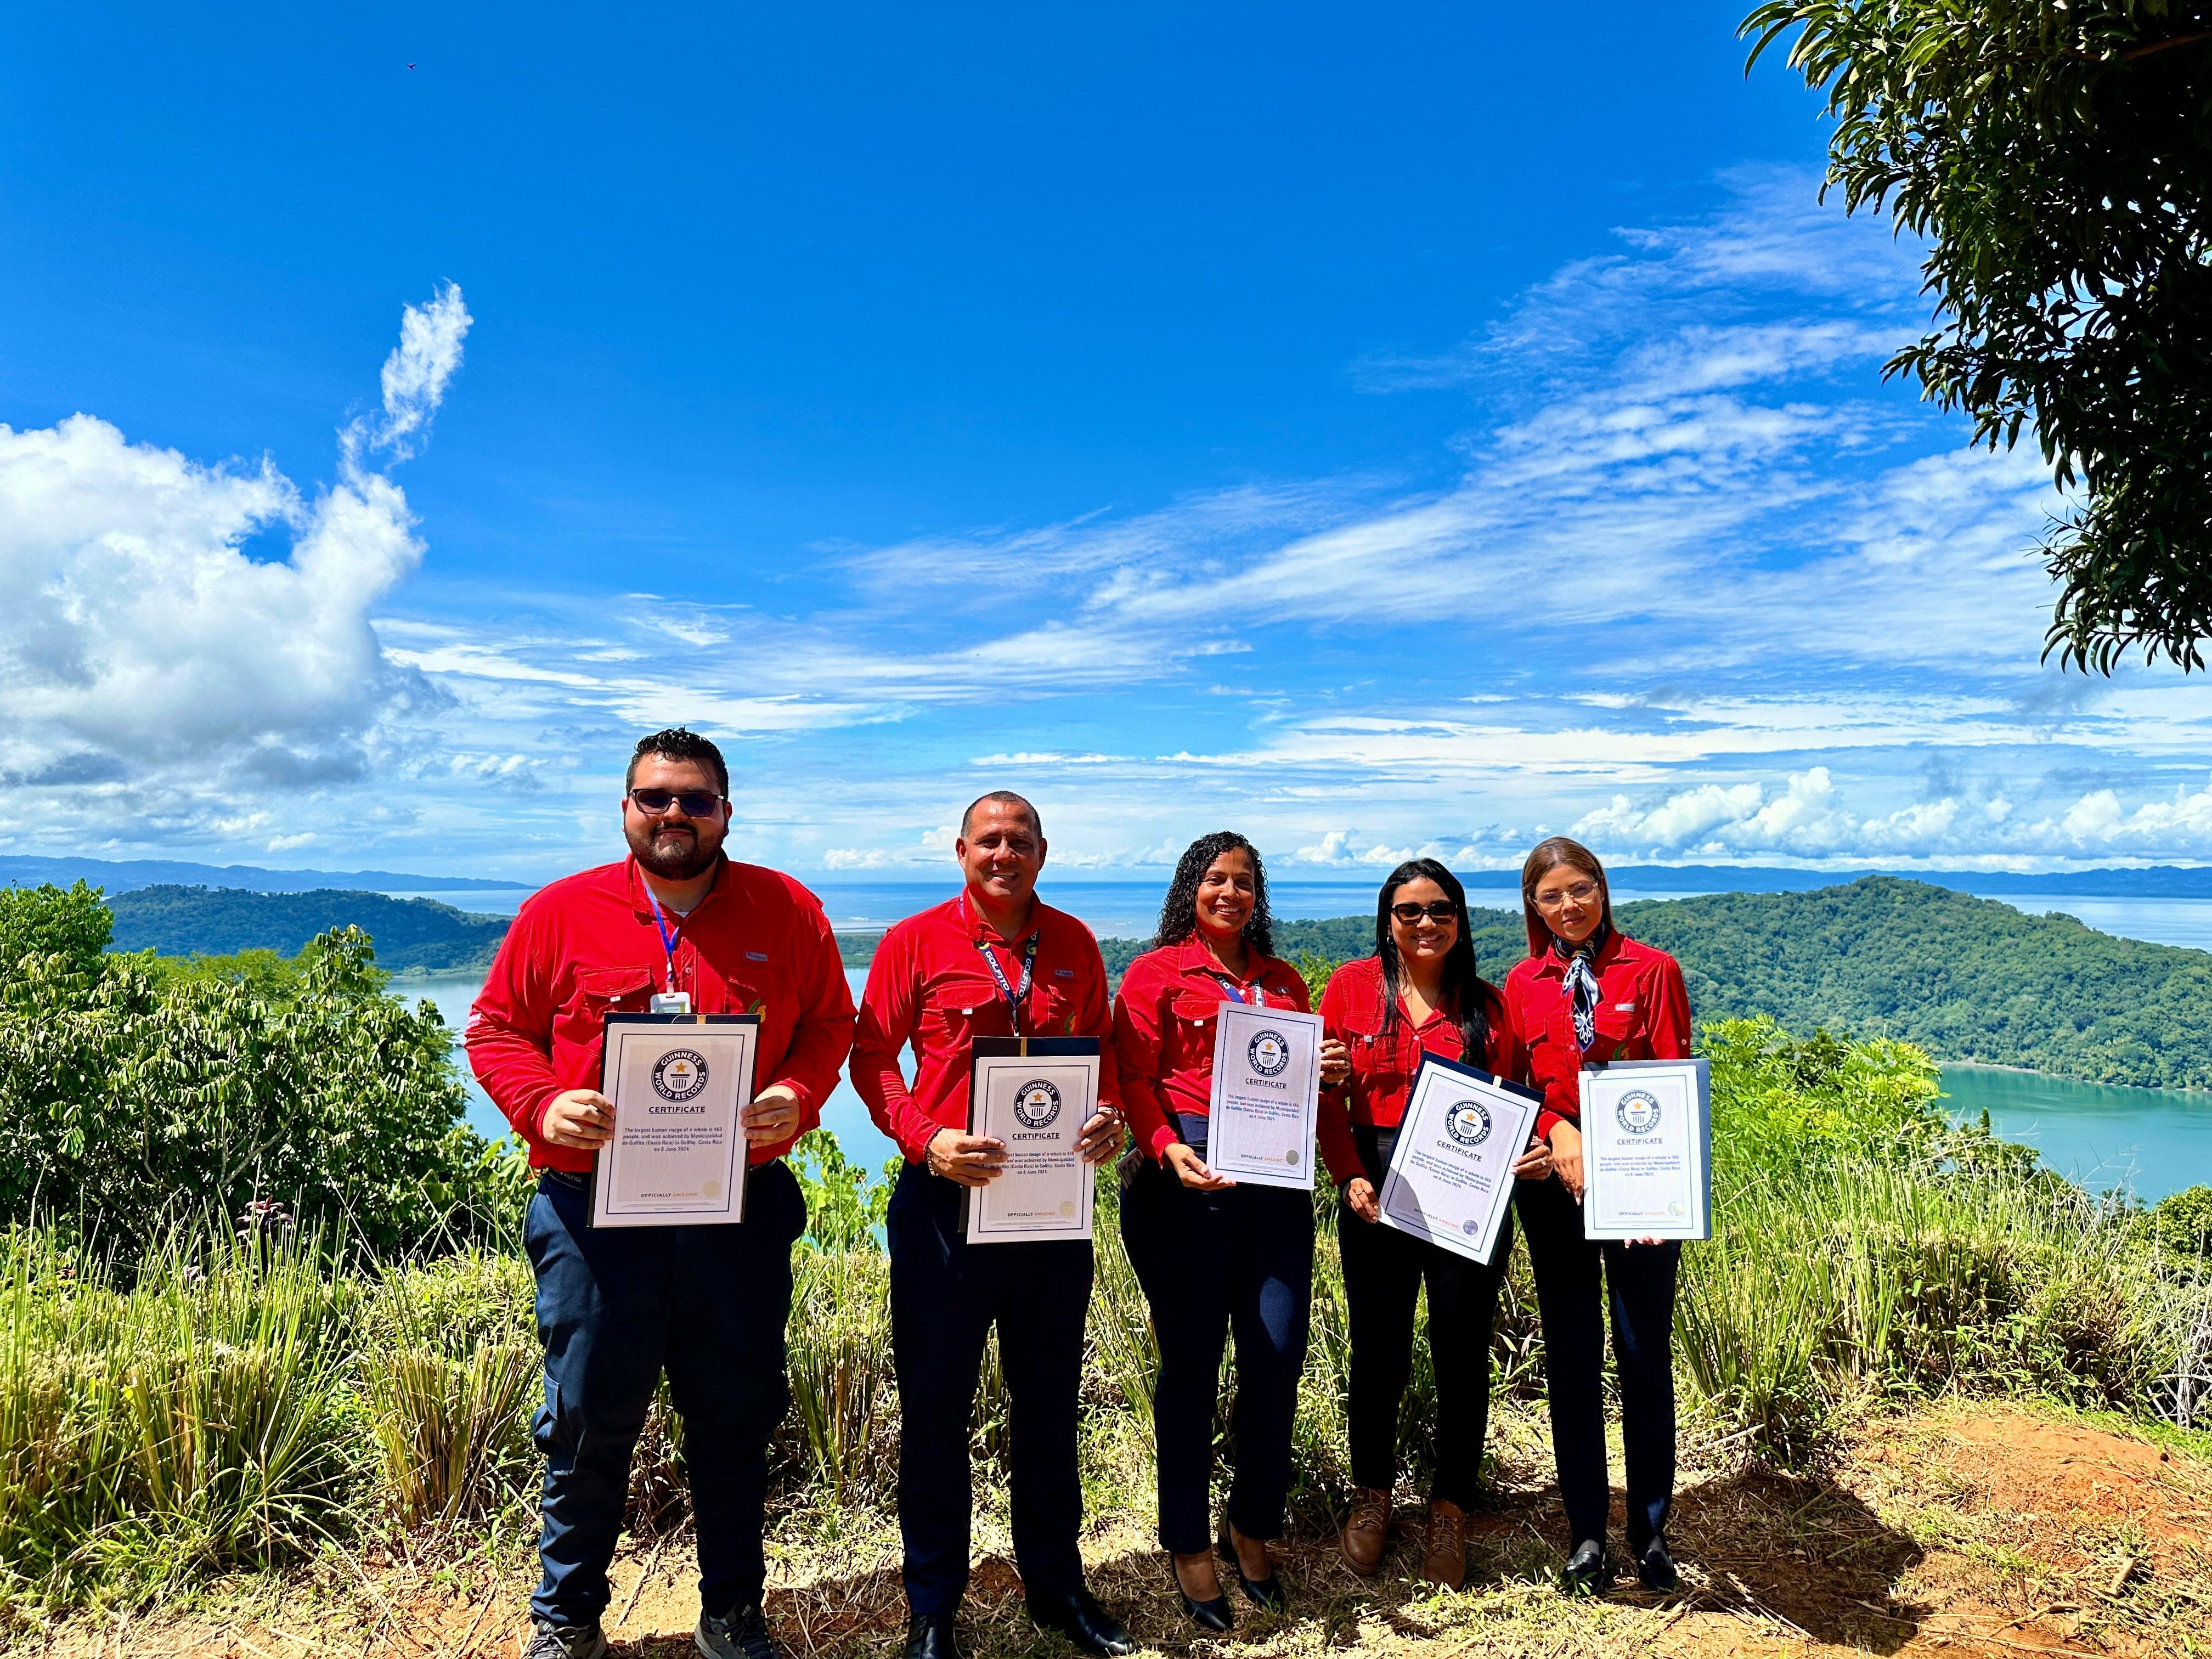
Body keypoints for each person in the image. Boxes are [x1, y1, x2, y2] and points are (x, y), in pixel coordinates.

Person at [467, 727, 857, 1659]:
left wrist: (796, 1096)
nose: (675, 815)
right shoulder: (559, 913)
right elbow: (492, 1031)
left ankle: (731, 1611)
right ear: (626, 807)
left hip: (736, 1213)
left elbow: (833, 1024)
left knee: (735, 1414)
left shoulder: (787, 908)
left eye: (696, 799)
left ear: (727, 810)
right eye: (656, 798)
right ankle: (565, 1622)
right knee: (588, 1419)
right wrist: (540, 1101)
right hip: (594, 1213)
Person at [851, 792, 1135, 1659]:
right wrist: (925, 1138)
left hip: (1050, 1211)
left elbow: (1104, 1057)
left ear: (1042, 853)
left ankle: (1057, 1587)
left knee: (1048, 1406)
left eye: (1019, 842)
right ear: (960, 851)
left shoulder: (1078, 944)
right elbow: (871, 1058)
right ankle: (933, 1606)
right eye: (989, 842)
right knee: (937, 1413)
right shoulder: (913, 942)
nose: (1003, 855)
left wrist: (1112, 1114)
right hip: (944, 1207)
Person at [1111, 832, 1351, 1630]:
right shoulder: (1155, 974)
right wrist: (1164, 1146)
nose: (1231, 893)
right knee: (1192, 1368)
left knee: (1278, 1360)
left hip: (1275, 1191)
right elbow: (1132, 1077)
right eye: (1216, 879)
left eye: (1245, 882)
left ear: (1258, 896)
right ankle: (1187, 1543)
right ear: (1192, 888)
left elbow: (1306, 1093)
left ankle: (1251, 1523)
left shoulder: (1284, 982)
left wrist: (1332, 1081)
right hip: (1185, 1185)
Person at [1315, 859, 1549, 1590]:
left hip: (1467, 1195)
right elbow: (1326, 1094)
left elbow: (1520, 1101)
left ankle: (1451, 1507)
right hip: (1374, 1189)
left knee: (1460, 1351)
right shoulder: (1351, 989)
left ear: (1460, 920)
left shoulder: (1489, 1004)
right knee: (1377, 1351)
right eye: (1409, 910)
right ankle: (1373, 1495)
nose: (1425, 922)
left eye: (1440, 909)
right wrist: (1348, 1172)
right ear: (1388, 919)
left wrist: (1535, 1148)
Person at [1504, 836, 1693, 1596]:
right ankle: (1585, 1531)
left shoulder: (1651, 971)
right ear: (1534, 907)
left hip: (1644, 1187)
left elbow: (1670, 1083)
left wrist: (1653, 1181)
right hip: (1554, 1192)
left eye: (1579, 889)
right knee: (1574, 1358)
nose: (1568, 906)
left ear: (1602, 890)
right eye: (1551, 896)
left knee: (1645, 1356)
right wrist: (1557, 1130)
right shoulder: (1522, 983)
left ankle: (1650, 1532)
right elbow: (1519, 1086)